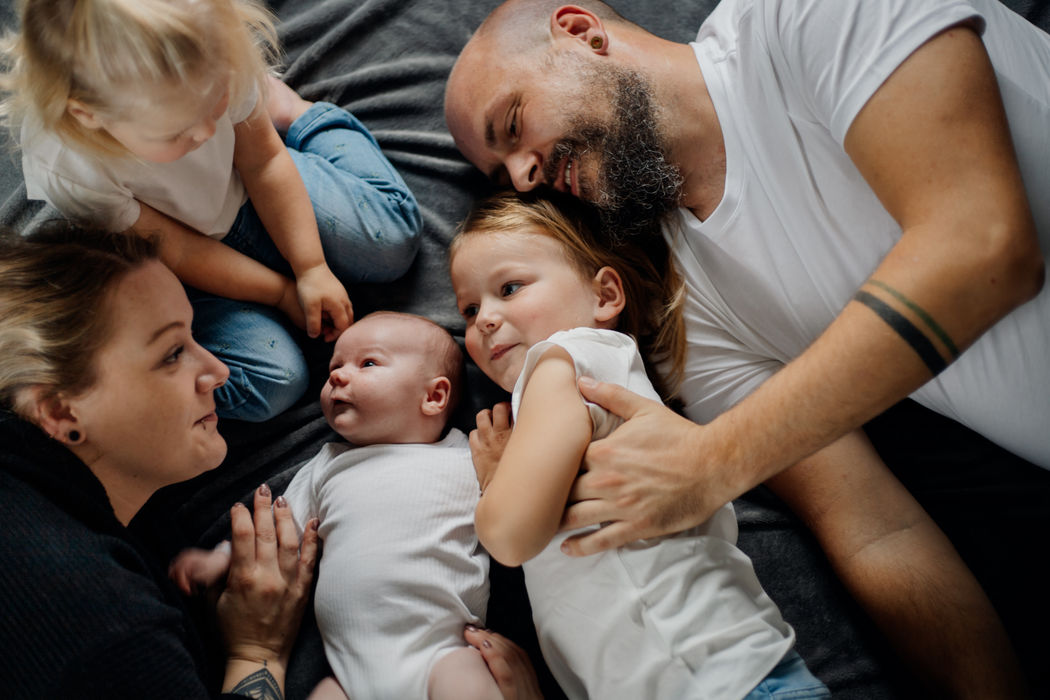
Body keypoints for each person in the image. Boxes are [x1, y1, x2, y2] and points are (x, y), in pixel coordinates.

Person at [444, 0, 1047, 695]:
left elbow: (984, 245)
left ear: (581, 32)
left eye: (513, 125)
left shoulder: (802, 17)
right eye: (502, 174)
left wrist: (712, 460)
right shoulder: (686, 305)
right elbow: (874, 528)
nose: (523, 175)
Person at [449, 190, 830, 700]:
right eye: (469, 310)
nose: (485, 320)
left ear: (604, 295)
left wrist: (499, 481)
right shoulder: (593, 376)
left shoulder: (564, 358)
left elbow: (510, 534)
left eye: (510, 287)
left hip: (718, 681)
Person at [0, 0, 422, 422]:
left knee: (394, 241)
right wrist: (278, 291)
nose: (205, 132)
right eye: (177, 130)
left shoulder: (214, 54)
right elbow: (179, 252)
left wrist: (310, 266)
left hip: (254, 187)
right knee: (275, 380)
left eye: (216, 101)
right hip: (189, 259)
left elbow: (265, 163)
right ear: (89, 114)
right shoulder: (73, 169)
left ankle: (297, 112)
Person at [0, 222, 318, 699]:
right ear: (61, 411)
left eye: (194, 336)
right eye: (172, 354)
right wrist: (257, 649)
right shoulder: (106, 629)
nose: (219, 371)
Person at [172, 311, 544, 700]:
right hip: (347, 677)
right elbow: (277, 531)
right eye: (334, 366)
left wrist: (507, 467)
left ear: (434, 396)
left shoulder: (465, 456)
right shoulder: (327, 464)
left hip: (442, 654)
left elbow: (511, 509)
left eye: (368, 363)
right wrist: (220, 559)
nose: (336, 375)